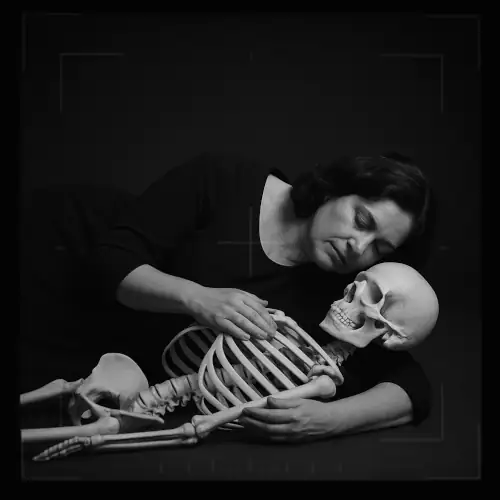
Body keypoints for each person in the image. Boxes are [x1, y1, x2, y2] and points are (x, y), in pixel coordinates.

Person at [87, 150, 437, 442]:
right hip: (82, 311)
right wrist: (194, 297)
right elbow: (110, 262)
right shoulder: (225, 179)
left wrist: (331, 420)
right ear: (336, 189)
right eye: (361, 221)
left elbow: (413, 386)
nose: (358, 247)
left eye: (379, 248)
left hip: (142, 390)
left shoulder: (342, 296)